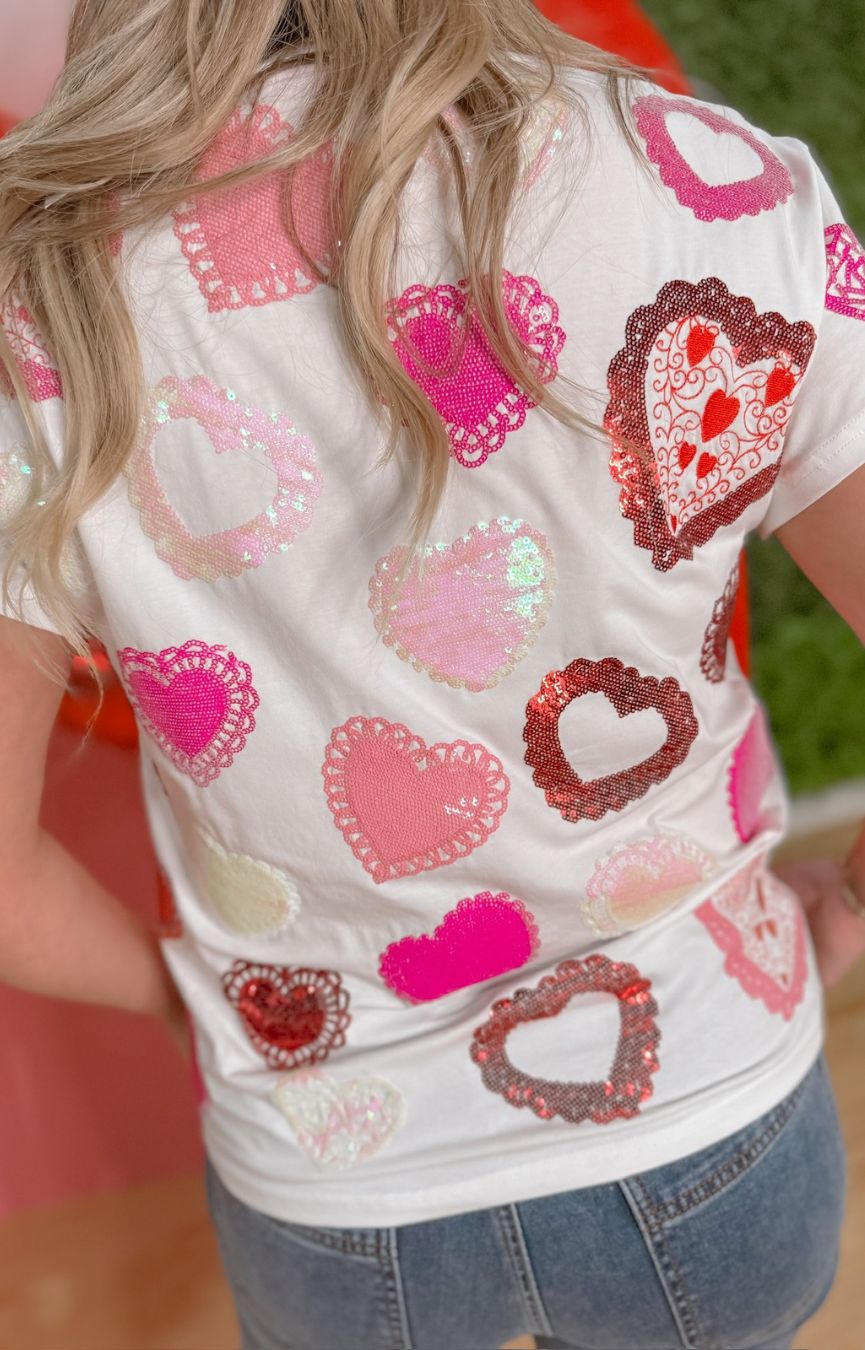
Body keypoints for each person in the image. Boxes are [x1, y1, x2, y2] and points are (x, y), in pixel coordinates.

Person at [1, 2, 864, 1347]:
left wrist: (190, 993)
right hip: (717, 1111)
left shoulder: (39, 308)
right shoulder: (717, 188)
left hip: (332, 1177)